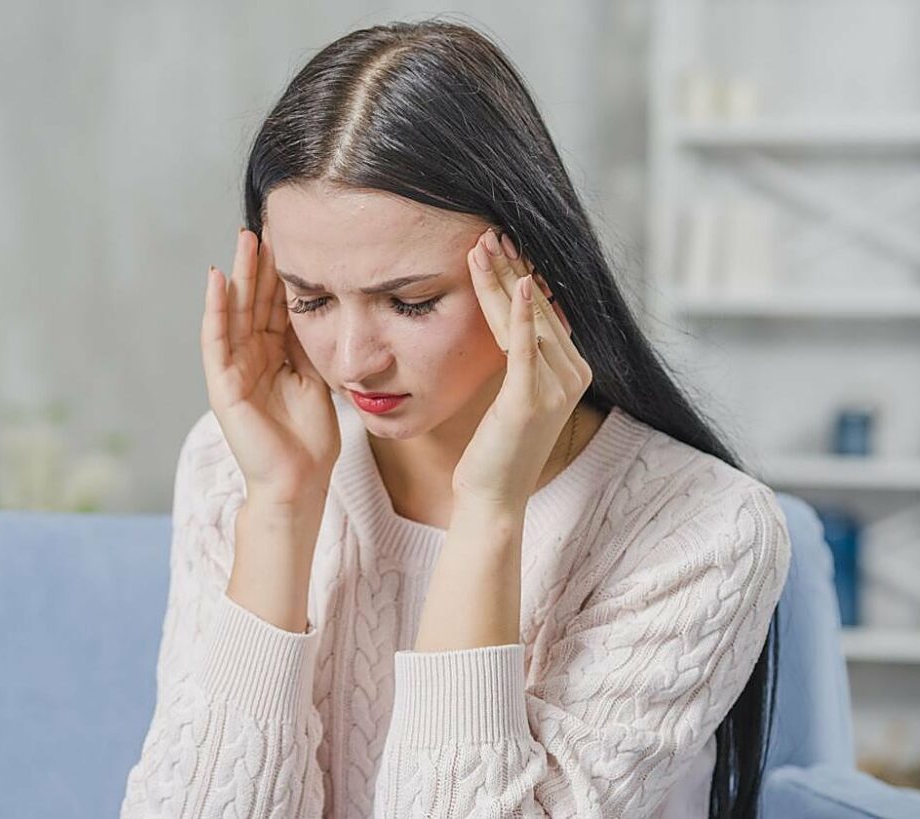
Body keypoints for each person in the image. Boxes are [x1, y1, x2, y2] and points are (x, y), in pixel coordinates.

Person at [120, 18, 790, 819]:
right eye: (311, 300)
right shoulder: (239, 464)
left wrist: (488, 515)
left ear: (532, 271)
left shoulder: (702, 528)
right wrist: (281, 509)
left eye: (410, 302)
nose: (351, 358)